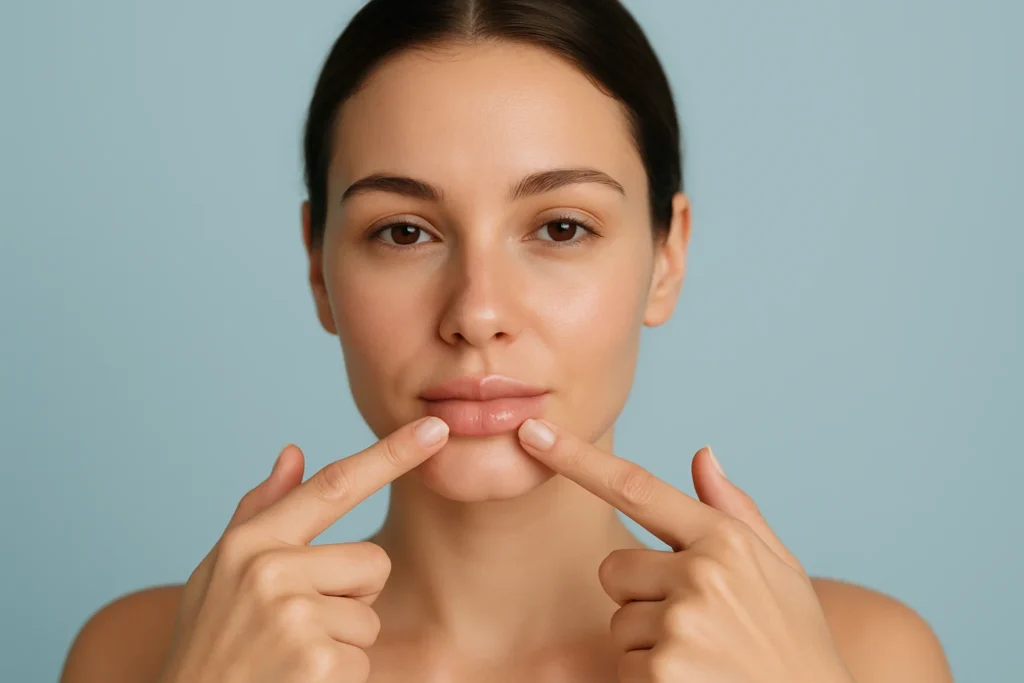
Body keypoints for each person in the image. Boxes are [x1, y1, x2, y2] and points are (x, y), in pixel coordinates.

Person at [60, 1, 955, 681]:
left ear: (667, 257)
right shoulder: (138, 654)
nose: (478, 311)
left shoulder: (866, 656)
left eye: (561, 228)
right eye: (404, 231)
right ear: (317, 264)